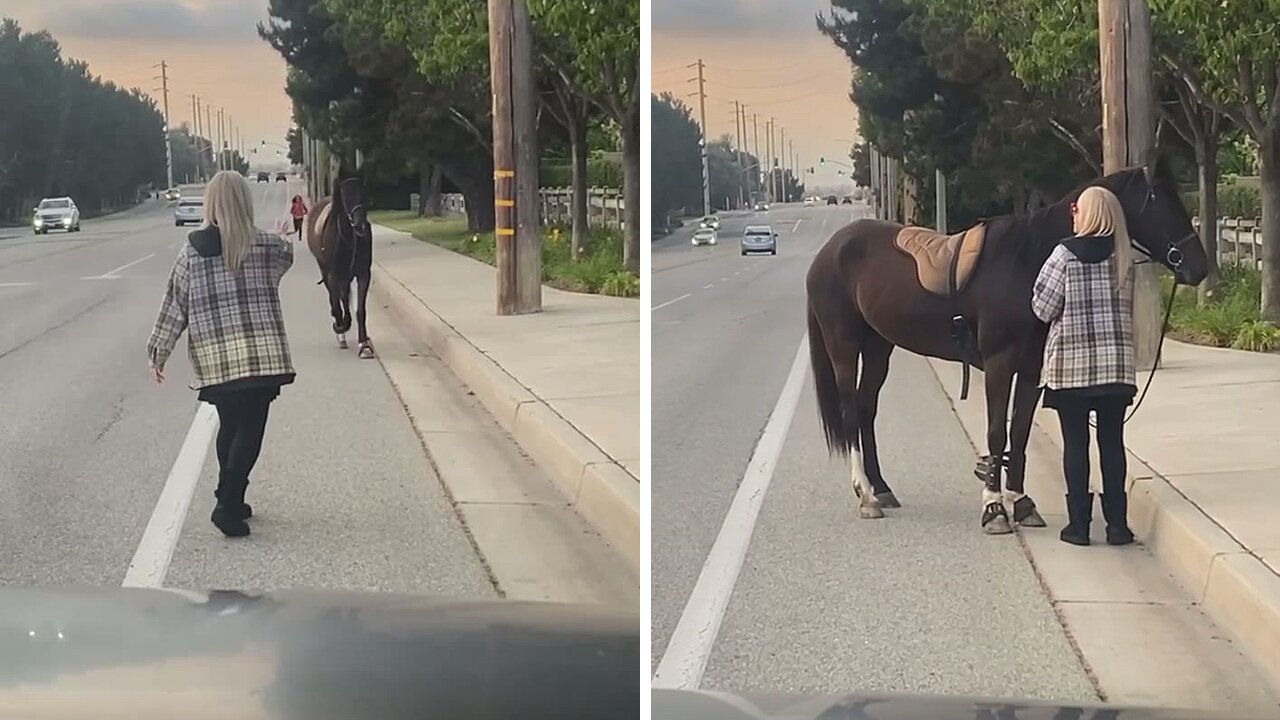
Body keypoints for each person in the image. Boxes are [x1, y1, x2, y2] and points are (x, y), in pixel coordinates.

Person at [146, 170, 296, 538]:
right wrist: (282, 232)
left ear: (210, 203)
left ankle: (232, 496)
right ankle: (228, 503)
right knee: (250, 428)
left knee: (231, 425)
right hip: (262, 355)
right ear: (244, 201)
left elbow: (174, 304)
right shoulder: (266, 246)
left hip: (217, 360)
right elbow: (286, 259)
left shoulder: (191, 250)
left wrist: (158, 352)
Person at [1031, 185, 1138, 548]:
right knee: (1112, 443)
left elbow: (1042, 308)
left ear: (1085, 213)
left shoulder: (1064, 254)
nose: (1072, 213)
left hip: (1071, 369)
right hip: (1116, 369)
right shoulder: (1124, 254)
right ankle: (1117, 526)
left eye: (1076, 208)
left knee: (1076, 444)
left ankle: (1078, 526)